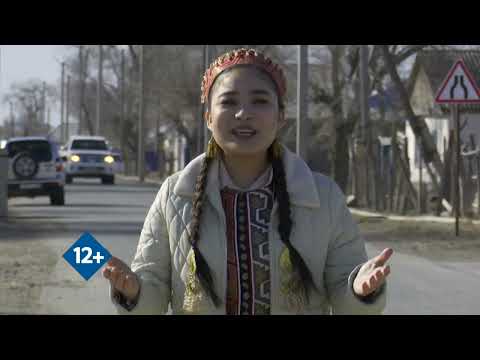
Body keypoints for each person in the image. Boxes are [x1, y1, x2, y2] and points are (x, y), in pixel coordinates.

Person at [103, 48, 393, 315]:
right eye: (228, 102)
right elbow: (151, 289)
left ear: (281, 117)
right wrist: (135, 292)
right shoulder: (176, 195)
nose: (244, 114)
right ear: (208, 117)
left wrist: (360, 290)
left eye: (260, 101)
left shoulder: (323, 196)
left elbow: (346, 290)